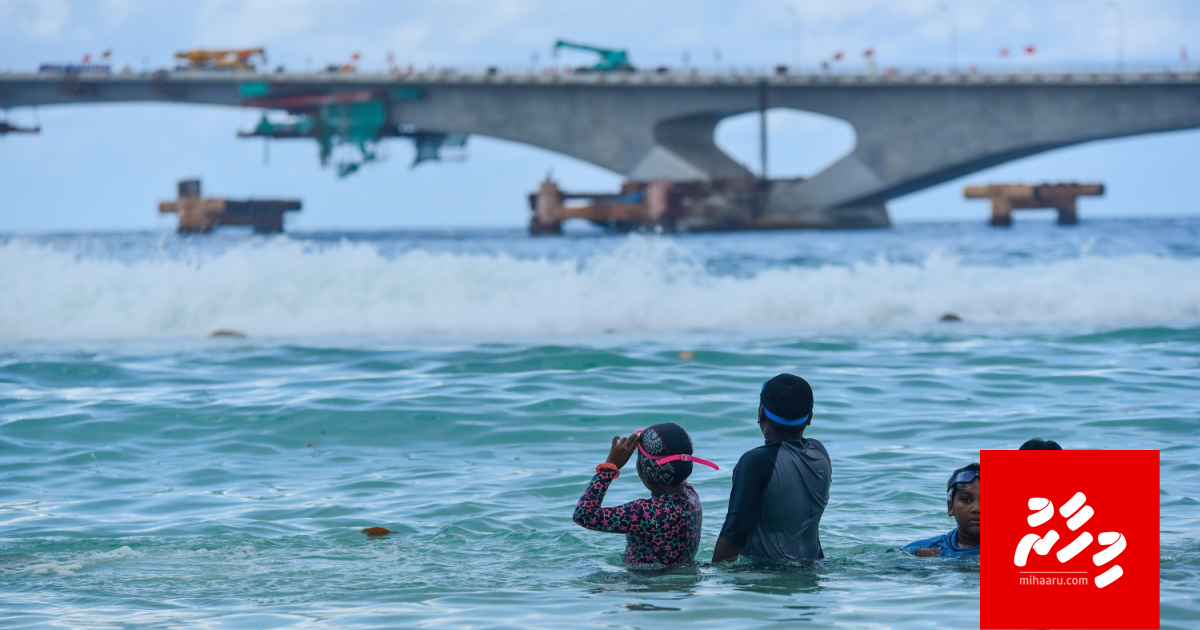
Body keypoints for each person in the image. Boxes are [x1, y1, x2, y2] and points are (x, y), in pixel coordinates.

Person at [713, 374, 831, 564]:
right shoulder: (820, 452)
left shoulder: (755, 462)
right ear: (810, 418)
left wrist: (713, 577)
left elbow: (734, 533)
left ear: (760, 414)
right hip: (814, 566)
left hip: (768, 575)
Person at [572, 422, 718, 567]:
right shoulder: (692, 498)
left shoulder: (646, 512)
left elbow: (583, 514)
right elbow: (677, 467)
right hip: (681, 583)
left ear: (646, 472)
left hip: (645, 583)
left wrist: (609, 468)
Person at [902, 463, 980, 557]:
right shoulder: (927, 550)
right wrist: (916, 556)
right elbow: (887, 558)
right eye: (966, 500)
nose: (977, 509)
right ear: (950, 507)